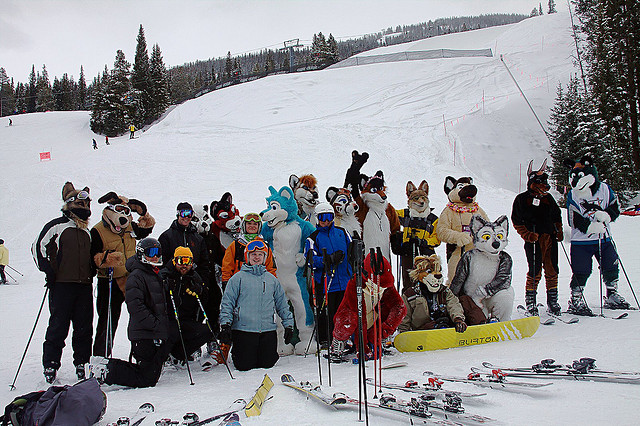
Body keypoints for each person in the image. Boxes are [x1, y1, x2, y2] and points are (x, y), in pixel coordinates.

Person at [89, 238, 174, 388]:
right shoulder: (137, 276)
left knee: (151, 374)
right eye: (151, 253)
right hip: (144, 333)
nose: (155, 256)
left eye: (158, 252)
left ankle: (105, 367)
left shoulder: (154, 273)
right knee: (147, 379)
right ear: (141, 254)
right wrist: (155, 324)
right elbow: (135, 306)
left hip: (154, 332)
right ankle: (105, 369)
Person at [32, 182, 95, 383]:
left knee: (84, 327)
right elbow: (38, 247)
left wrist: (93, 268)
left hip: (84, 285)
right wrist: (48, 270)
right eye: (80, 204)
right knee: (58, 325)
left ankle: (82, 362)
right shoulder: (57, 226)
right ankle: (51, 363)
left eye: (87, 204)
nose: (85, 207)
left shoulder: (86, 231)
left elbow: (90, 255)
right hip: (62, 285)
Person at [90, 192, 155, 357]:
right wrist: (105, 259)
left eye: (127, 211)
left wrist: (143, 213)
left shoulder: (129, 227)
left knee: (142, 315)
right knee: (108, 320)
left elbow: (146, 229)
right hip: (109, 280)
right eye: (120, 210)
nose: (124, 215)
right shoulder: (98, 230)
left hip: (131, 278)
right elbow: (91, 258)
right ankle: (101, 356)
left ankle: (144, 354)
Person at [218, 240, 294, 371]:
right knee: (245, 366)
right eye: (253, 254)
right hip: (244, 331)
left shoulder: (272, 280)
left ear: (265, 258)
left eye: (260, 254)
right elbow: (227, 304)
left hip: (267, 330)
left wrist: (288, 325)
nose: (257, 257)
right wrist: (225, 325)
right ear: (247, 257)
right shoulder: (237, 279)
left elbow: (282, 304)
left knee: (268, 364)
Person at [330, 253, 406, 360]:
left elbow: (399, 307)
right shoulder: (355, 284)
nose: (380, 289)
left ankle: (379, 340)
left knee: (388, 309)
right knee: (348, 318)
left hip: (372, 318)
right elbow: (358, 314)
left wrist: (384, 330)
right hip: (355, 322)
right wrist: (363, 348)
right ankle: (338, 344)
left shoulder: (387, 285)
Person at [511, 160, 563, 316]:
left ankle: (552, 301)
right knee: (535, 270)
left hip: (550, 238)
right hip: (534, 240)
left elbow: (557, 215)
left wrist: (558, 229)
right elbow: (516, 220)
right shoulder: (522, 199)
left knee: (552, 269)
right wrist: (527, 235)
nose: (545, 186)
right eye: (541, 183)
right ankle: (531, 302)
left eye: (545, 183)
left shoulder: (548, 198)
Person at [303, 202, 352, 344]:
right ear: (317, 218)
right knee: (329, 314)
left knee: (346, 312)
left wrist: (357, 252)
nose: (326, 221)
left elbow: (352, 250)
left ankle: (346, 339)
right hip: (326, 284)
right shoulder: (313, 238)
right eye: (322, 218)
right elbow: (310, 260)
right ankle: (327, 340)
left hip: (345, 281)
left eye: (329, 217)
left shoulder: (342, 232)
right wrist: (328, 259)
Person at [159, 246, 211, 362]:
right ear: (174, 261)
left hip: (186, 319)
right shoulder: (165, 275)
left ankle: (180, 354)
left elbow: (204, 300)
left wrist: (200, 290)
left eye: (188, 262)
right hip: (168, 320)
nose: (184, 265)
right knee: (172, 331)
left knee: (206, 331)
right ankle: (164, 356)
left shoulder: (194, 276)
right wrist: (165, 287)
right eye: (180, 261)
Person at [398, 255, 467, 333]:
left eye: (439, 271)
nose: (437, 275)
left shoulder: (444, 291)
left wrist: (458, 319)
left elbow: (454, 304)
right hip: (421, 332)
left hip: (445, 328)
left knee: (466, 300)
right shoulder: (410, 295)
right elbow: (404, 318)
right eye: (429, 272)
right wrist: (404, 332)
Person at [221, 212, 276, 288]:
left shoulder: (264, 246)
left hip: (260, 286)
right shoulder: (236, 245)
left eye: (255, 224)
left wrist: (272, 284)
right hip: (239, 286)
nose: (252, 226)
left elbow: (270, 268)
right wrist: (226, 282)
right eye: (249, 223)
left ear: (259, 226)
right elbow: (227, 266)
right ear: (244, 225)